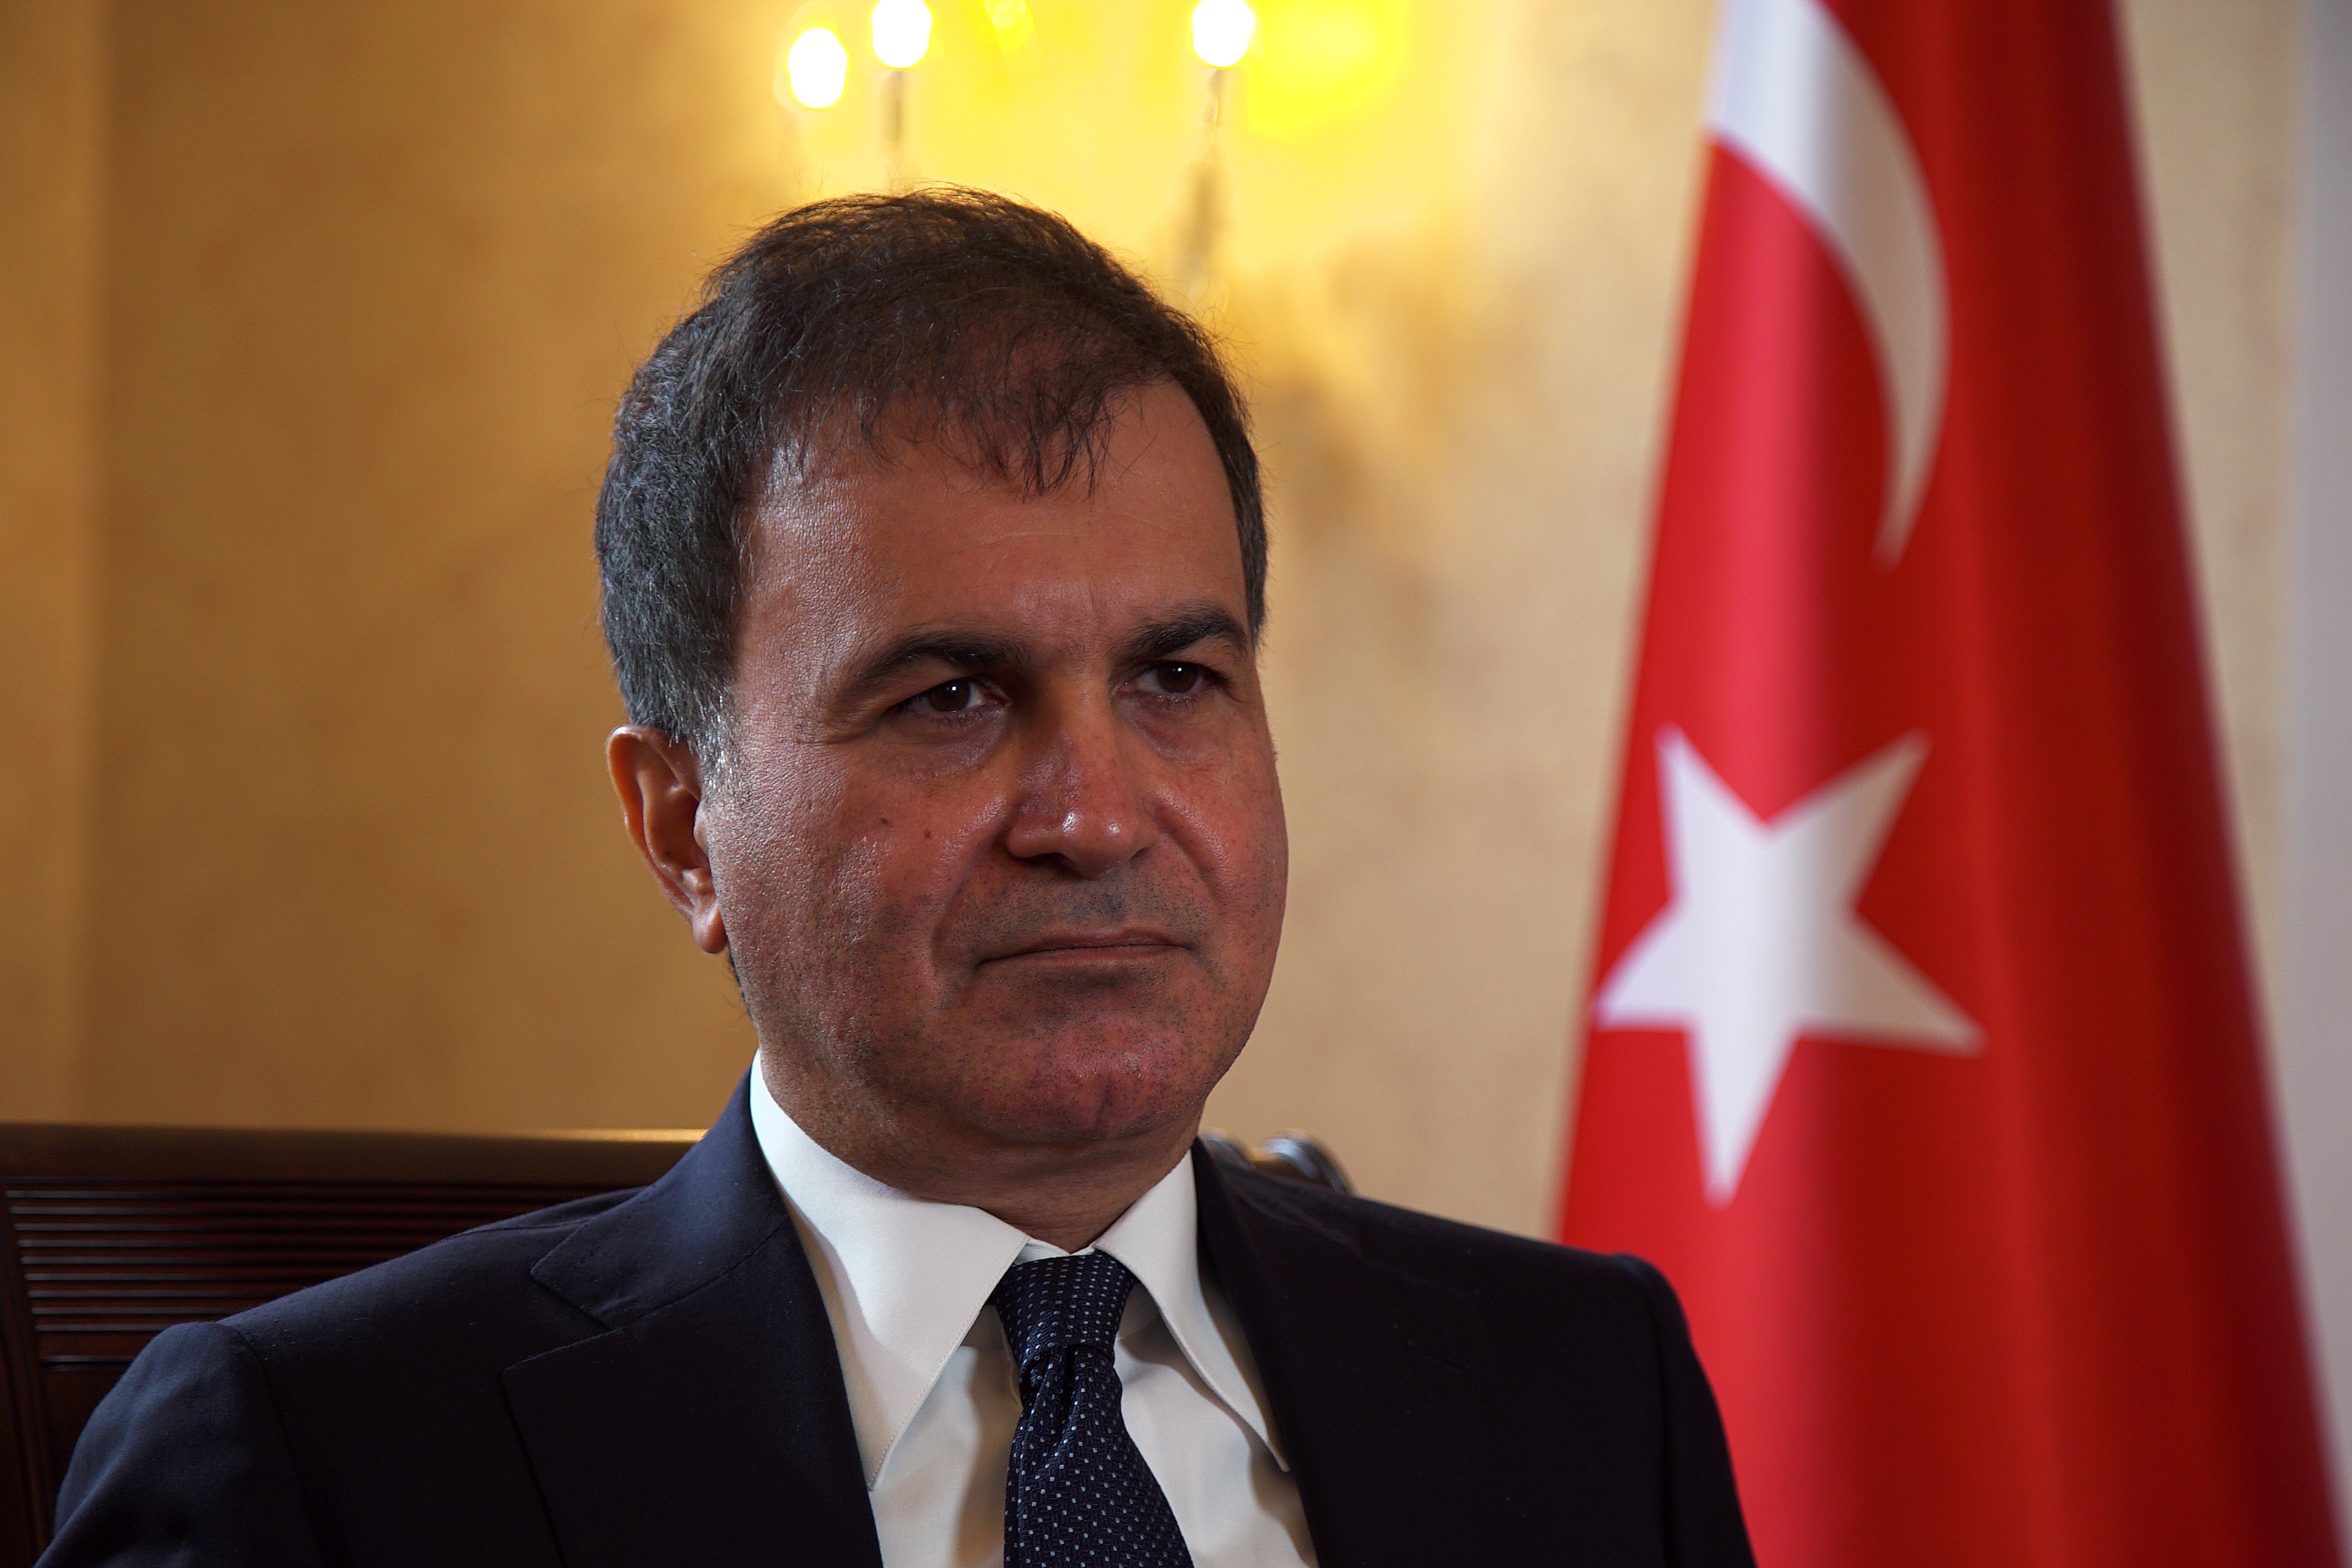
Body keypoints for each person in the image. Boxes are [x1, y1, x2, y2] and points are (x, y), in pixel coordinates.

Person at [40, 189, 1755, 1567]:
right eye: (948, 699)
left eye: (1176, 680)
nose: (1095, 813)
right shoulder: (322, 1464)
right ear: (677, 825)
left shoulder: (1580, 1389)